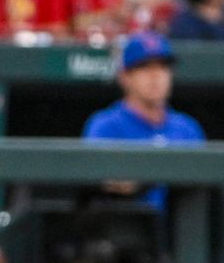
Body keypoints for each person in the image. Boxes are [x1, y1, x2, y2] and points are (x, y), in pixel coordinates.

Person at [82, 31, 205, 211]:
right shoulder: (105, 125)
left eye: (162, 67)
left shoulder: (187, 128)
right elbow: (106, 182)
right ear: (125, 77)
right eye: (145, 67)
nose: (156, 76)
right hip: (126, 227)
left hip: (181, 230)